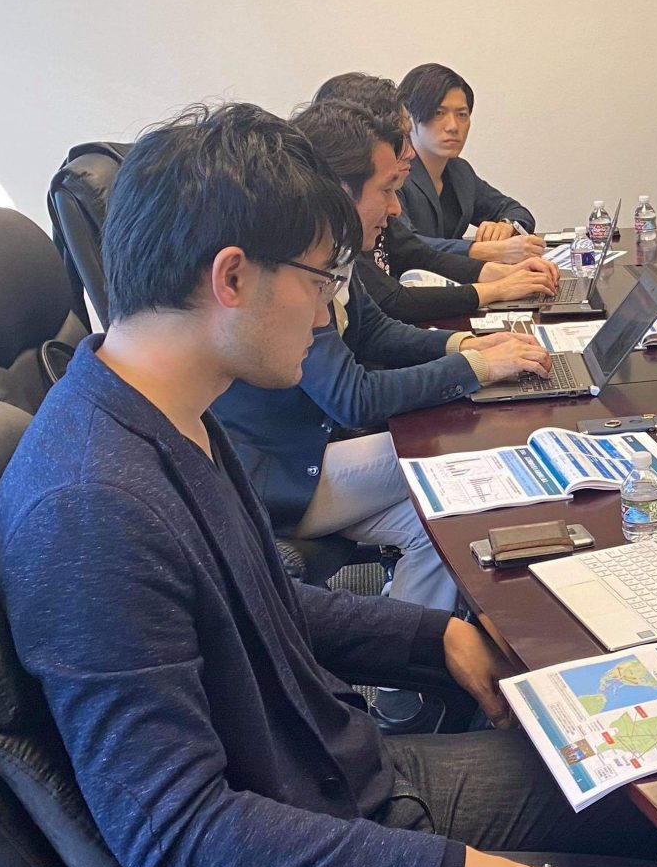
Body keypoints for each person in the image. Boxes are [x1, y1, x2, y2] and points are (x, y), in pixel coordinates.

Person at [0, 103, 657, 867]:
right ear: (231, 278)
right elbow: (174, 831)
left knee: (622, 775)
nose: (331, 307)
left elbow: (267, 607)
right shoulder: (89, 505)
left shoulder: (164, 409)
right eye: (321, 279)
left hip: (334, 782)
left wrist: (438, 640)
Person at [211, 100, 552, 611]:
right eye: (388, 189)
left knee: (442, 522)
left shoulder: (337, 257)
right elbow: (352, 398)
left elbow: (375, 332)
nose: (396, 209)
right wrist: (477, 368)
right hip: (280, 473)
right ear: (336, 190)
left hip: (313, 452)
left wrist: (466, 346)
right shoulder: (298, 273)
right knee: (463, 457)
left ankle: (415, 654)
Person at [310, 73, 557, 323]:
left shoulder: (459, 171)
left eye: (462, 114)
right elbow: (394, 301)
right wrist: (496, 282)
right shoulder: (334, 229)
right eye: (401, 136)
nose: (409, 150)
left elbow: (420, 255)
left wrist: (503, 268)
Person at [399, 61, 538, 256]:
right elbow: (404, 244)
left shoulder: (459, 171)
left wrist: (505, 226)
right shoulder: (394, 172)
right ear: (407, 116)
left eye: (462, 115)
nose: (453, 126)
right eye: (438, 113)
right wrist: (481, 250)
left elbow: (517, 211)